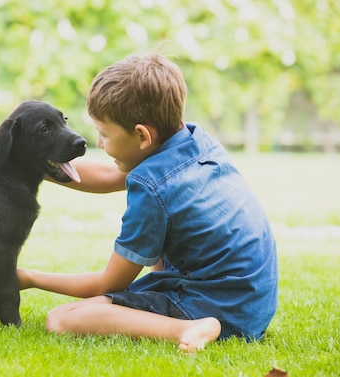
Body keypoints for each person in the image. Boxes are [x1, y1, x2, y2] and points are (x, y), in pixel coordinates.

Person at [17, 51, 278, 353]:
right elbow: (106, 175)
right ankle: (176, 314)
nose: (99, 144)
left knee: (63, 319)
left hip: (217, 309)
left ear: (142, 136)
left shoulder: (151, 187)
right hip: (250, 305)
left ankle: (188, 327)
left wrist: (29, 277)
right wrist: (33, 165)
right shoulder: (195, 142)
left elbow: (107, 283)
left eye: (104, 134)